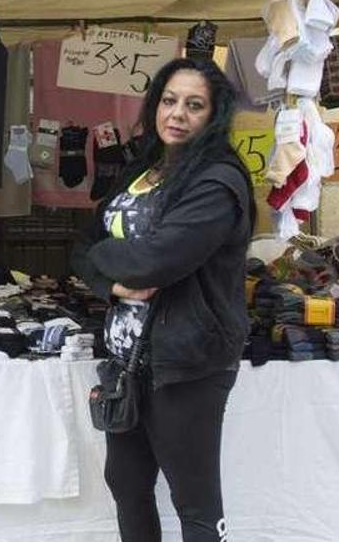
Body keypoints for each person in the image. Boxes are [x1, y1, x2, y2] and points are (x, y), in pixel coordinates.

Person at [71, 58, 255, 542]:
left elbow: (152, 262)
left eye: (194, 105)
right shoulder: (142, 169)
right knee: (127, 485)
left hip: (187, 362)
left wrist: (111, 256)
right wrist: (110, 281)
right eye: (170, 101)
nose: (178, 114)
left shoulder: (217, 182)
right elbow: (81, 247)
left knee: (194, 503)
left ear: (213, 116)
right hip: (126, 359)